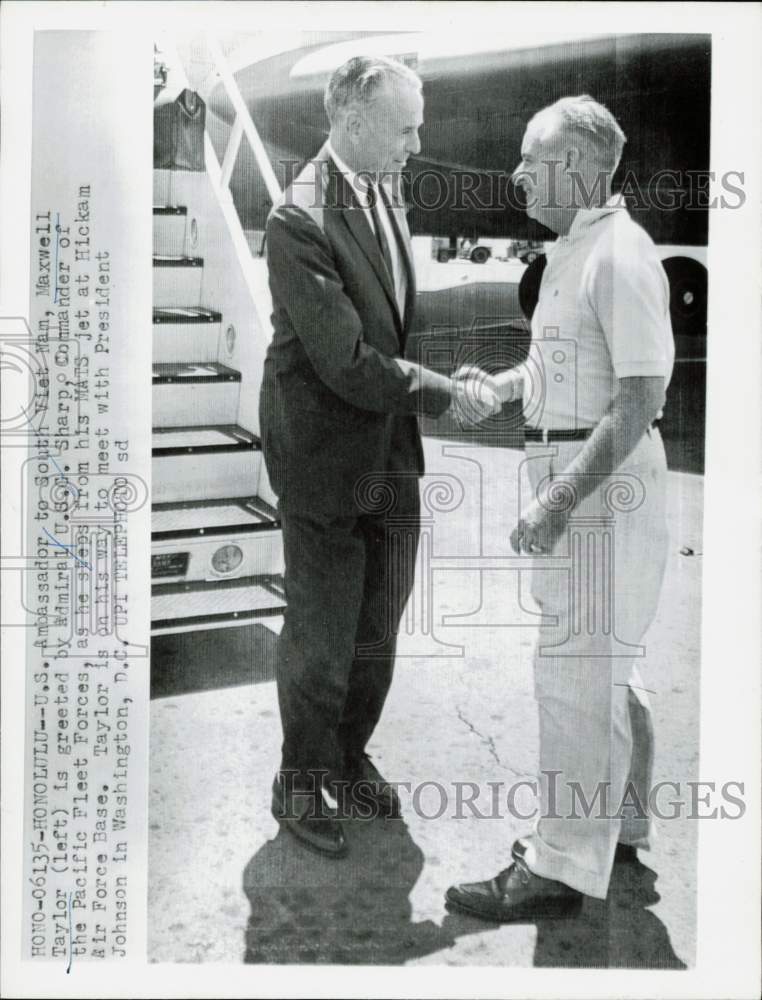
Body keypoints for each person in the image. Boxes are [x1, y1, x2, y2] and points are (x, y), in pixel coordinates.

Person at [259, 55, 500, 857]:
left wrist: (439, 379)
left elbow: (394, 327)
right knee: (323, 637)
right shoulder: (298, 219)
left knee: (376, 632)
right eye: (405, 127)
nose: (418, 141)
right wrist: (439, 391)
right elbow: (348, 359)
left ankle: (345, 754)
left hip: (390, 453)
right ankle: (298, 781)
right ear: (354, 121)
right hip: (325, 458)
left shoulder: (381, 191)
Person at [446, 95, 675, 919]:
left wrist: (554, 502)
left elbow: (640, 398)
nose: (515, 173)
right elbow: (560, 372)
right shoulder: (577, 249)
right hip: (586, 471)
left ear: (576, 168)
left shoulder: (619, 253)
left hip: (597, 488)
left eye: (529, 159)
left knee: (573, 682)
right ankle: (617, 829)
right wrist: (503, 386)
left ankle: (557, 868)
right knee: (605, 670)